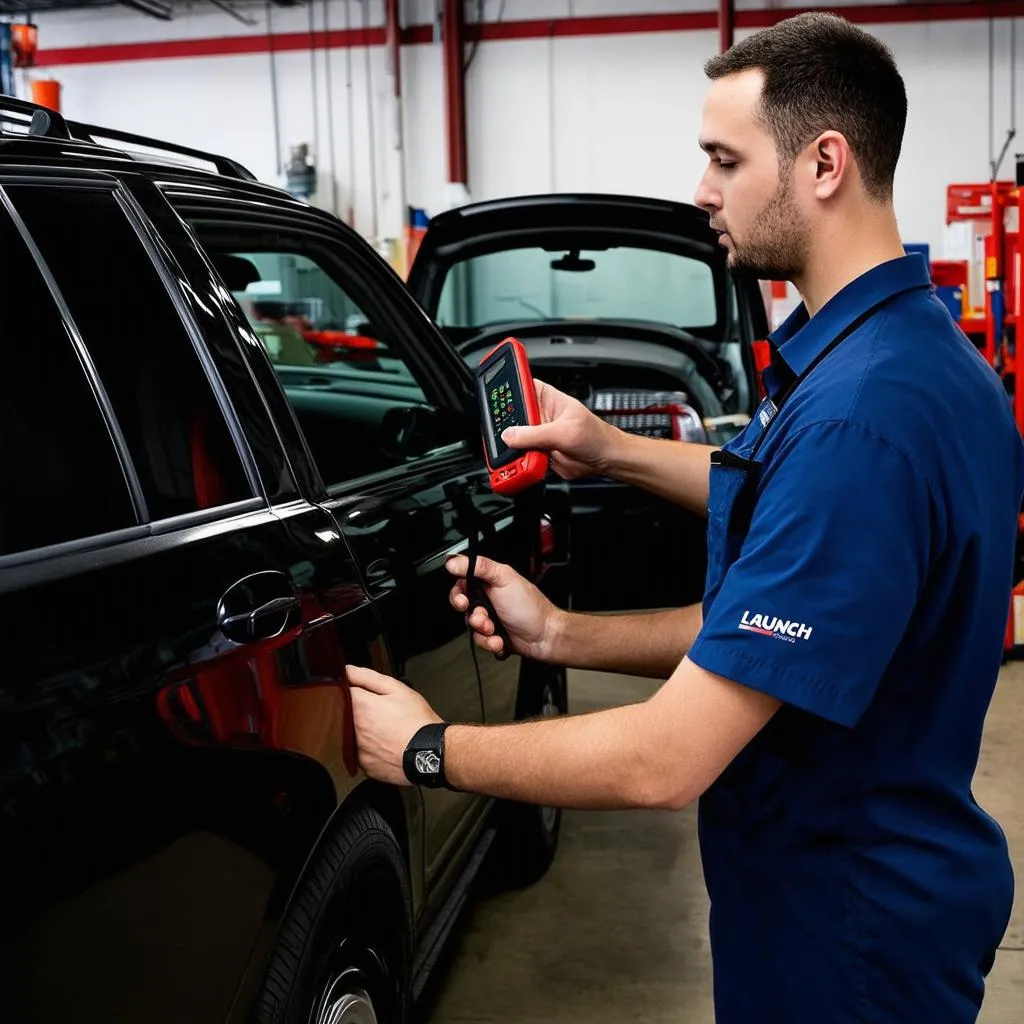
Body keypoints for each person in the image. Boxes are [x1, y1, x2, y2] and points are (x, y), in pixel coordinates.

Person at [347, 13, 1024, 1022]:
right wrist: (591, 511)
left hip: (839, 932)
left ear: (824, 163)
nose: (702, 189)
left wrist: (429, 748)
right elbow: (778, 525)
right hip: (871, 892)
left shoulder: (858, 420)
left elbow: (664, 759)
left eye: (722, 158)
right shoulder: (912, 364)